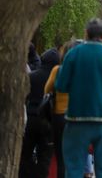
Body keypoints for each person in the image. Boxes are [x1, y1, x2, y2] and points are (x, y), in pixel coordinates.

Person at [55, 18, 102, 178]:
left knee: (74, 169)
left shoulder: (73, 55)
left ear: (86, 34)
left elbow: (60, 86)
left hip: (76, 121)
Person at [44, 40, 83, 178]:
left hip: (60, 117)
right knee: (77, 158)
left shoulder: (58, 70)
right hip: (80, 118)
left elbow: (47, 89)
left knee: (61, 159)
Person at [19, 48, 60, 178]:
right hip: (49, 120)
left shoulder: (32, 76)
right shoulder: (58, 78)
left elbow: (24, 98)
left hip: (31, 118)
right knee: (45, 156)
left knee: (25, 154)